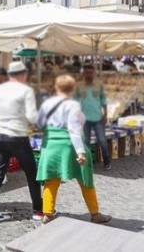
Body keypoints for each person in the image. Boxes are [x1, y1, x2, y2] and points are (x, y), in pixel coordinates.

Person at [36, 74, 111, 225]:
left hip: (50, 145)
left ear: (56, 87)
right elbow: (74, 129)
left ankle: (48, 214)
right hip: (69, 146)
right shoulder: (73, 105)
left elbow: (38, 124)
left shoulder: (47, 104)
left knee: (51, 180)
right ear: (72, 89)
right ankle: (95, 214)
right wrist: (81, 152)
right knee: (85, 180)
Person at [0, 61, 41, 224]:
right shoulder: (26, 90)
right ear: (23, 74)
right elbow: (32, 117)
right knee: (31, 173)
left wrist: (2, 119)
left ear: (9, 74)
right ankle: (38, 211)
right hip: (17, 136)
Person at [76, 64, 110, 169]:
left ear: (94, 73)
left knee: (102, 140)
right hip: (84, 118)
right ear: (84, 73)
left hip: (98, 117)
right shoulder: (79, 86)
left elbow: (103, 100)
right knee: (85, 141)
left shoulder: (99, 85)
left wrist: (105, 114)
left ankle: (107, 162)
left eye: (91, 72)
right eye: (87, 72)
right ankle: (86, 163)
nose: (89, 74)